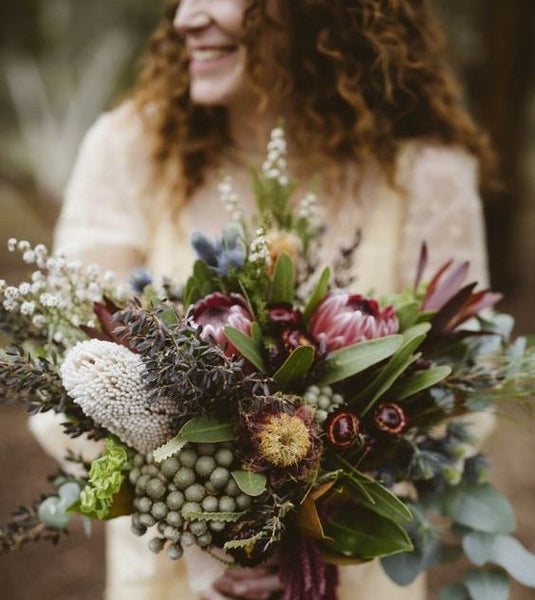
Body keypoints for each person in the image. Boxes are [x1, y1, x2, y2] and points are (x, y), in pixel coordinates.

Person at [29, 1, 497, 598]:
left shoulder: (425, 172)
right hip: (171, 577)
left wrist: (317, 528)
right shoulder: (131, 151)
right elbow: (68, 371)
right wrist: (206, 529)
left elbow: (466, 387)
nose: (185, 18)